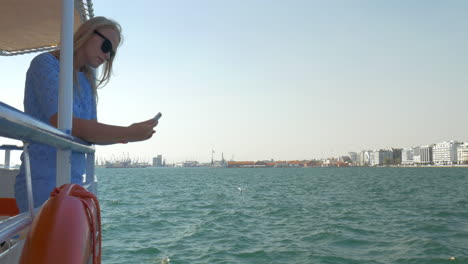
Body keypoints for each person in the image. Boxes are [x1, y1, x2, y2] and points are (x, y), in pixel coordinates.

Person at [14, 16, 157, 212]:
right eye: (106, 46)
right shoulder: (44, 64)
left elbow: (90, 133)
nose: (107, 56)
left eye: (112, 53)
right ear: (87, 34)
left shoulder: (87, 82)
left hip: (73, 182)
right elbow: (65, 123)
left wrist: (130, 134)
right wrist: (129, 132)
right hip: (42, 183)